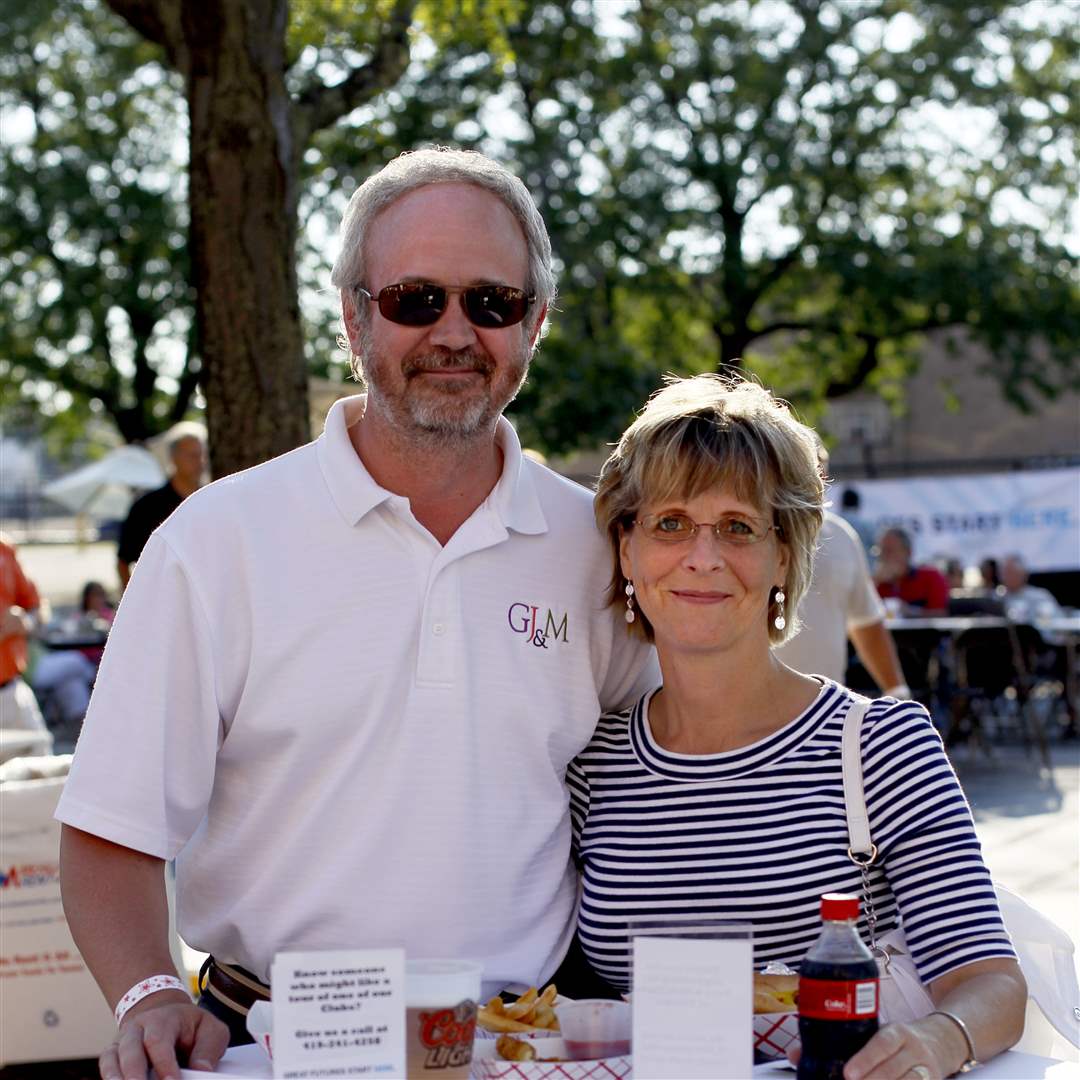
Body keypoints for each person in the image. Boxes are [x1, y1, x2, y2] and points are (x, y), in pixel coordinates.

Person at [56, 147, 656, 1080]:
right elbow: (109, 827)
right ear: (352, 315)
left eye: (490, 303)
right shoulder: (216, 542)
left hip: (522, 1047)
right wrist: (149, 993)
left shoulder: (599, 548)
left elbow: (663, 776)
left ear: (535, 322)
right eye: (416, 299)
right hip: (271, 1044)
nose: (454, 331)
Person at [571, 374, 1026, 1079]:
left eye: (737, 527)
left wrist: (937, 1041)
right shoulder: (591, 764)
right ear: (626, 549)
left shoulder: (881, 747)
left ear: (784, 554)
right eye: (670, 523)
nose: (703, 556)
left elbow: (991, 985)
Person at [775, 441, 908, 696]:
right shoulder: (745, 535)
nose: (816, 477)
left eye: (818, 468)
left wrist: (897, 691)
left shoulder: (841, 536)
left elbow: (867, 621)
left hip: (826, 712)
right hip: (745, 717)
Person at [116, 429, 206, 588]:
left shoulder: (209, 502)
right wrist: (137, 604)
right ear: (174, 459)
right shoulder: (146, 507)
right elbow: (123, 561)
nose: (199, 461)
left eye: (201, 455)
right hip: (162, 598)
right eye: (192, 455)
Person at [31, 581, 114, 730]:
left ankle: (82, 725)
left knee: (71, 679)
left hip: (98, 663)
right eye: (95, 595)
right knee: (73, 677)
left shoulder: (110, 617)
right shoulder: (79, 617)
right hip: (84, 664)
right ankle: (84, 726)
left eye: (101, 595)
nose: (98, 599)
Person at [0, 533, 47, 732]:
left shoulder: (4, 548)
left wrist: (23, 623)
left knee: (41, 756)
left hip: (10, 691)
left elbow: (37, 608)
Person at [874, 527, 950, 616]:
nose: (885, 556)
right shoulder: (876, 583)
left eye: (890, 551)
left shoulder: (931, 577)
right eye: (881, 551)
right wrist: (874, 582)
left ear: (908, 552)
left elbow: (941, 614)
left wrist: (911, 611)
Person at [1000, 553, 1063, 624]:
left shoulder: (1040, 597)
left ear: (1023, 574)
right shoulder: (998, 598)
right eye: (1004, 573)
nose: (1006, 577)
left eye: (1010, 572)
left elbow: (1055, 623)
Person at [838, 486, 877, 557]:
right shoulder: (867, 525)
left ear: (841, 503)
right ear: (858, 504)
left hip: (838, 565)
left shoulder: (833, 524)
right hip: (863, 565)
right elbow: (877, 547)